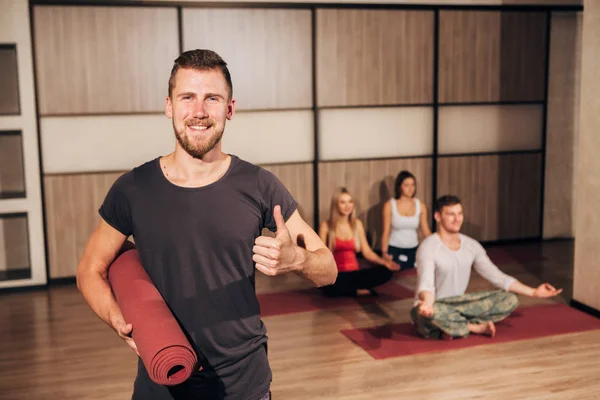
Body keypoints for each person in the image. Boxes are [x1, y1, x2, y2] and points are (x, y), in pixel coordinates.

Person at [75, 49, 337, 400]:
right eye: (188, 98)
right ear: (169, 105)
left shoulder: (260, 185)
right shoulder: (133, 189)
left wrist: (298, 260)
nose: (199, 112)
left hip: (244, 383)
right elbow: (90, 269)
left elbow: (330, 269)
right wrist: (117, 319)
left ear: (229, 109)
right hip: (162, 378)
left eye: (212, 98)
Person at [412, 195, 562, 339]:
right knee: (428, 315)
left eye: (460, 213)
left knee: (510, 299)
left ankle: (451, 327)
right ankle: (473, 327)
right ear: (438, 217)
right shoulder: (428, 247)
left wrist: (534, 292)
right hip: (434, 305)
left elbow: (497, 277)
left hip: (459, 303)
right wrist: (428, 305)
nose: (457, 219)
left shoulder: (471, 246)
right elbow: (426, 285)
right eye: (451, 214)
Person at [318, 187, 400, 297]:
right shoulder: (326, 226)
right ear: (336, 205)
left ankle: (351, 290)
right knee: (328, 285)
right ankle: (356, 291)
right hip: (336, 275)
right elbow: (321, 255)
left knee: (386, 272)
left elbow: (367, 252)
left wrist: (384, 262)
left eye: (350, 202)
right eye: (343, 202)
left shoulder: (357, 224)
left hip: (355, 274)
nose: (347, 206)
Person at [381, 170, 431, 270]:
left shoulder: (420, 206)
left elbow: (426, 230)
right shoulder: (389, 205)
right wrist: (384, 252)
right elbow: (386, 231)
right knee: (395, 270)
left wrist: (437, 246)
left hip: (413, 248)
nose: (410, 189)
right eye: (406, 185)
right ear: (399, 186)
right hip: (394, 248)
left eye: (413, 185)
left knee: (413, 270)